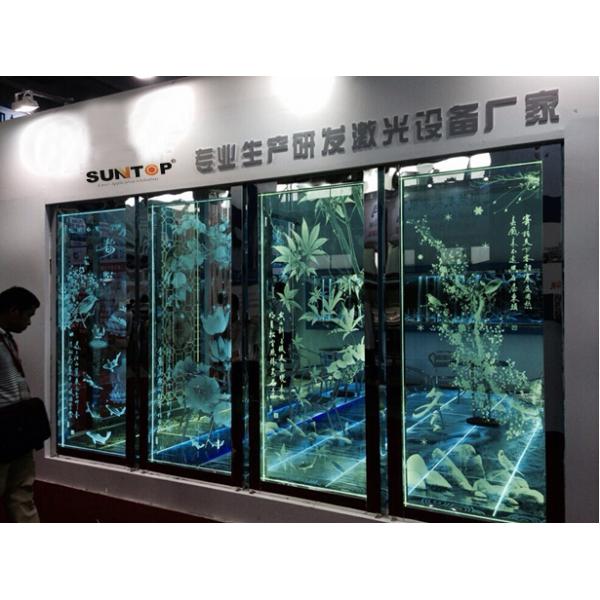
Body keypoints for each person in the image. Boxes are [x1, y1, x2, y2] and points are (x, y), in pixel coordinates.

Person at [0, 286, 41, 522]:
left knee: (22, 491)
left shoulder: (7, 339)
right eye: (28, 315)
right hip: (3, 427)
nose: (29, 322)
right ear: (13, 311)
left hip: (17, 427)